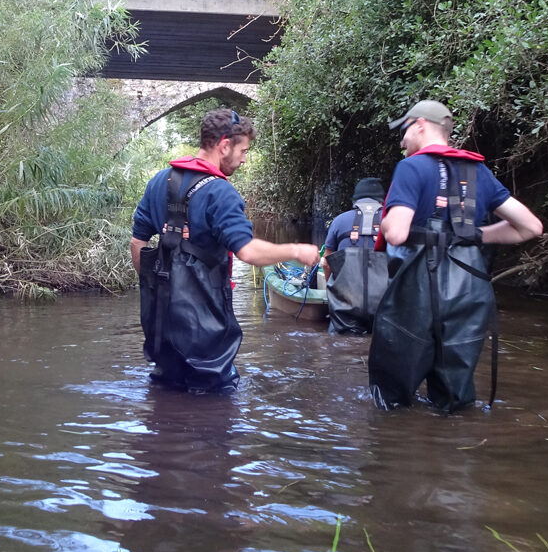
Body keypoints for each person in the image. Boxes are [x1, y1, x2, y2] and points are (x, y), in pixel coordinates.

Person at [368, 99, 542, 412]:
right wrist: (471, 235)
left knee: (391, 396)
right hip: (468, 292)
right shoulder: (478, 172)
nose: (402, 140)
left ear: (420, 125)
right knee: (455, 396)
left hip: (417, 293)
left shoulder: (411, 167)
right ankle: (456, 447)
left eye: (405, 130)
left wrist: (386, 216)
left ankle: (393, 450)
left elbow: (395, 233)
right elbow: (530, 227)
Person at [131, 108, 320, 394]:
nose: (244, 159)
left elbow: (137, 243)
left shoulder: (159, 181)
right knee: (218, 405)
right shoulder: (221, 192)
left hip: (160, 326)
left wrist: (155, 288)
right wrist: (294, 249)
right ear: (224, 145)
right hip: (205, 328)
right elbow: (247, 251)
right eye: (243, 150)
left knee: (166, 396)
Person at [323, 177, 390, 335]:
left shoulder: (339, 221)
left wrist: (333, 292)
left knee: (342, 348)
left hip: (346, 305)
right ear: (382, 201)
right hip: (384, 305)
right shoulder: (392, 223)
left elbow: (327, 263)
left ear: (355, 200)